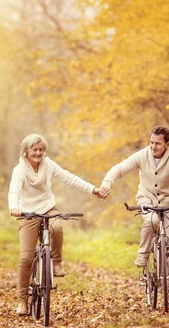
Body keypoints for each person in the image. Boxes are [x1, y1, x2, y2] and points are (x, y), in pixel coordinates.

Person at [98, 125, 169, 305]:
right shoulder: (143, 155)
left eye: (158, 143)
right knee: (151, 220)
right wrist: (106, 183)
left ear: (167, 144)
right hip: (146, 199)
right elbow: (119, 169)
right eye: (151, 142)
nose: (153, 147)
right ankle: (143, 254)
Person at [8, 134, 101, 315]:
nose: (39, 153)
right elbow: (14, 191)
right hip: (28, 212)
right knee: (26, 257)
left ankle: (56, 262)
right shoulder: (19, 170)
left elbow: (69, 178)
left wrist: (92, 189)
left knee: (57, 227)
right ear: (26, 151)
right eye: (35, 149)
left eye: (41, 149)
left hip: (48, 208)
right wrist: (14, 207)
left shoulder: (48, 165)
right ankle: (22, 300)